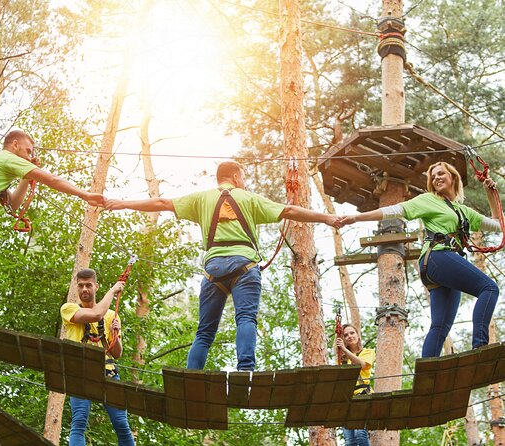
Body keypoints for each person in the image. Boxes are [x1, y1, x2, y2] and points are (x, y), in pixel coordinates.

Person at [105, 160, 343, 371]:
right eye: (244, 178)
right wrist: (327, 218)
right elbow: (289, 210)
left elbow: (162, 202)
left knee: (205, 332)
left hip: (213, 270)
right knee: (246, 319)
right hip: (245, 266)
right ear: (237, 177)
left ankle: (191, 376)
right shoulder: (249, 198)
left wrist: (123, 203)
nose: (245, 183)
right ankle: (245, 371)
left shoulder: (201, 198)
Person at [0, 130, 105, 322]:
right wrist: (84, 195)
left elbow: (14, 204)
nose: (30, 156)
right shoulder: (7, 157)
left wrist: (25, 178)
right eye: (28, 151)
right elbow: (52, 180)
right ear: (15, 145)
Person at [341, 161, 501, 357]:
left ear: (453, 177)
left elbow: (497, 224)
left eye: (441, 174)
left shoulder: (463, 211)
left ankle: (427, 374)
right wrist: (357, 218)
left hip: (441, 265)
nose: (436, 179)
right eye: (433, 177)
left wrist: (490, 193)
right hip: (438, 257)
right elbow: (395, 210)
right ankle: (480, 347)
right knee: (489, 288)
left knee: (440, 326)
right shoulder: (428, 200)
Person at [61, 268, 135, 446]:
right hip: (80, 373)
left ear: (96, 286)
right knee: (79, 422)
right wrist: (113, 290)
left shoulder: (111, 316)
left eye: (88, 285)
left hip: (108, 372)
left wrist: (115, 333)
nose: (84, 289)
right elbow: (95, 315)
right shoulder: (68, 309)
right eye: (81, 286)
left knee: (122, 424)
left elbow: (116, 353)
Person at [335, 323, 374, 446]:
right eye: (346, 335)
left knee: (360, 434)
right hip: (346, 399)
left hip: (362, 396)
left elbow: (361, 365)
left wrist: (345, 350)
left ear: (358, 335)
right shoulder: (342, 359)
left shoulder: (367, 352)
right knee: (349, 441)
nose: (349, 336)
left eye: (352, 333)